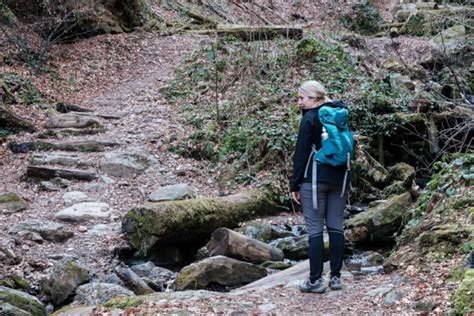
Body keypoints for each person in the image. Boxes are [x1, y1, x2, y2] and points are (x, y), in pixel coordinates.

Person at [290, 80, 351, 293]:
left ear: (314, 99)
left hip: (314, 180)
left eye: (302, 98)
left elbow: (302, 153)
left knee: (315, 230)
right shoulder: (339, 114)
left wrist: (295, 184)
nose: (299, 102)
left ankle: (315, 281)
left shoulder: (310, 118)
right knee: (336, 226)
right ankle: (335, 278)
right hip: (340, 180)